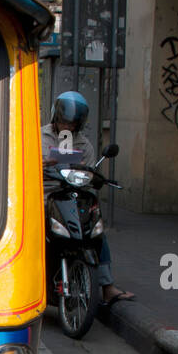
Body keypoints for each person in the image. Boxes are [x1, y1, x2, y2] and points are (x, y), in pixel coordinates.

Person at [41, 91, 133, 307]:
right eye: (64, 121)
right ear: (56, 117)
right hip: (45, 197)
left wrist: (94, 178)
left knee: (95, 228)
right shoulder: (39, 136)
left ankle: (107, 287)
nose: (68, 127)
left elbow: (90, 174)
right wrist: (44, 163)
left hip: (73, 198)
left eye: (72, 123)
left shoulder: (84, 145)